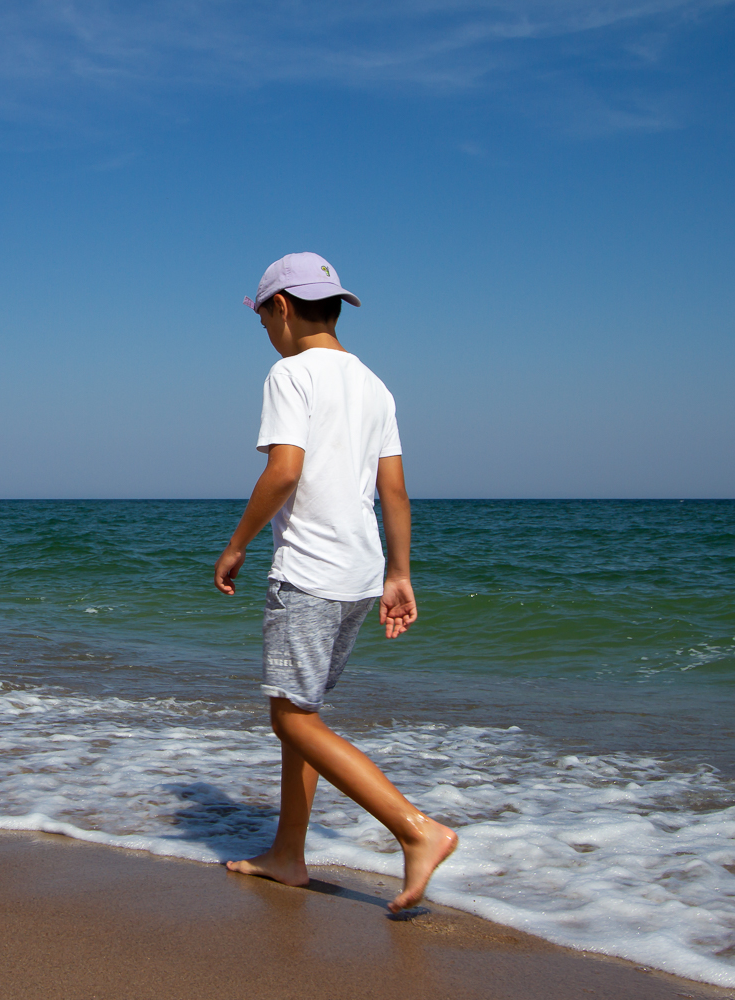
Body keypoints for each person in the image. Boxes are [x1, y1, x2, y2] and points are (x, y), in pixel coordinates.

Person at [214, 252, 457, 914]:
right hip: (360, 573)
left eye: (263, 319)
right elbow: (395, 490)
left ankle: (417, 830)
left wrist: (237, 544)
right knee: (304, 714)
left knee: (290, 719)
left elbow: (284, 471)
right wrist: (400, 574)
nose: (266, 333)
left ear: (281, 308)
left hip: (310, 572)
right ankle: (289, 855)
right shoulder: (375, 385)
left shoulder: (289, 373)